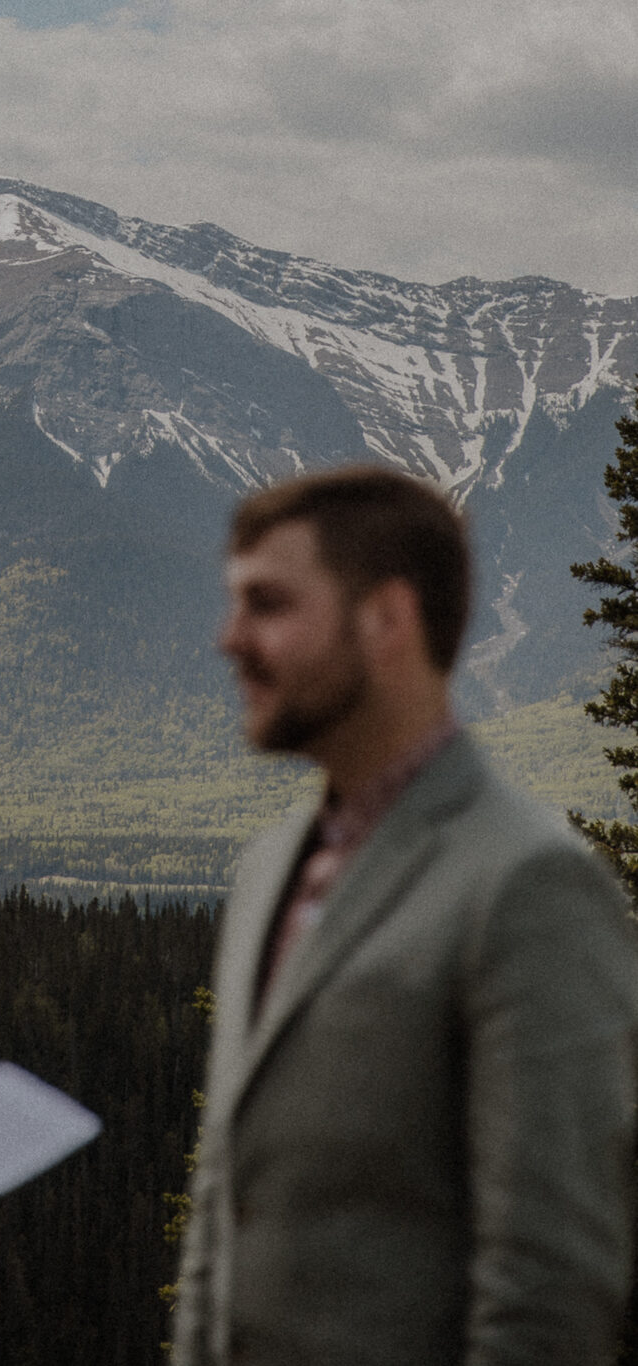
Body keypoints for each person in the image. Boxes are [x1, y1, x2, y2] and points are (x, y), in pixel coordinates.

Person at [174, 466, 638, 1366]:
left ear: (386, 619)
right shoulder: (268, 869)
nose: (228, 640)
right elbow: (218, 1221)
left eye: (266, 604)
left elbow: (548, 1288)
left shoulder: (530, 884)